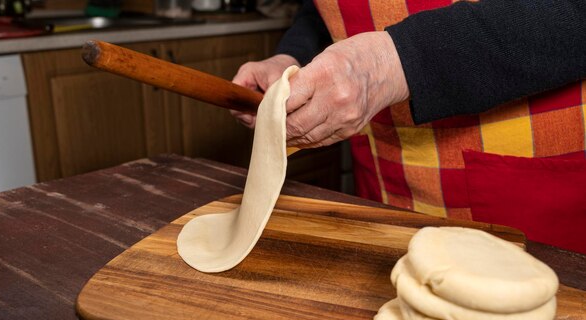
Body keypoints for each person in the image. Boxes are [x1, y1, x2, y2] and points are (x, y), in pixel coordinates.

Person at [231, 0, 586, 254]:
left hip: (533, 183)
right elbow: (324, 9)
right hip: (384, 179)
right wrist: (294, 57)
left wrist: (396, 61)